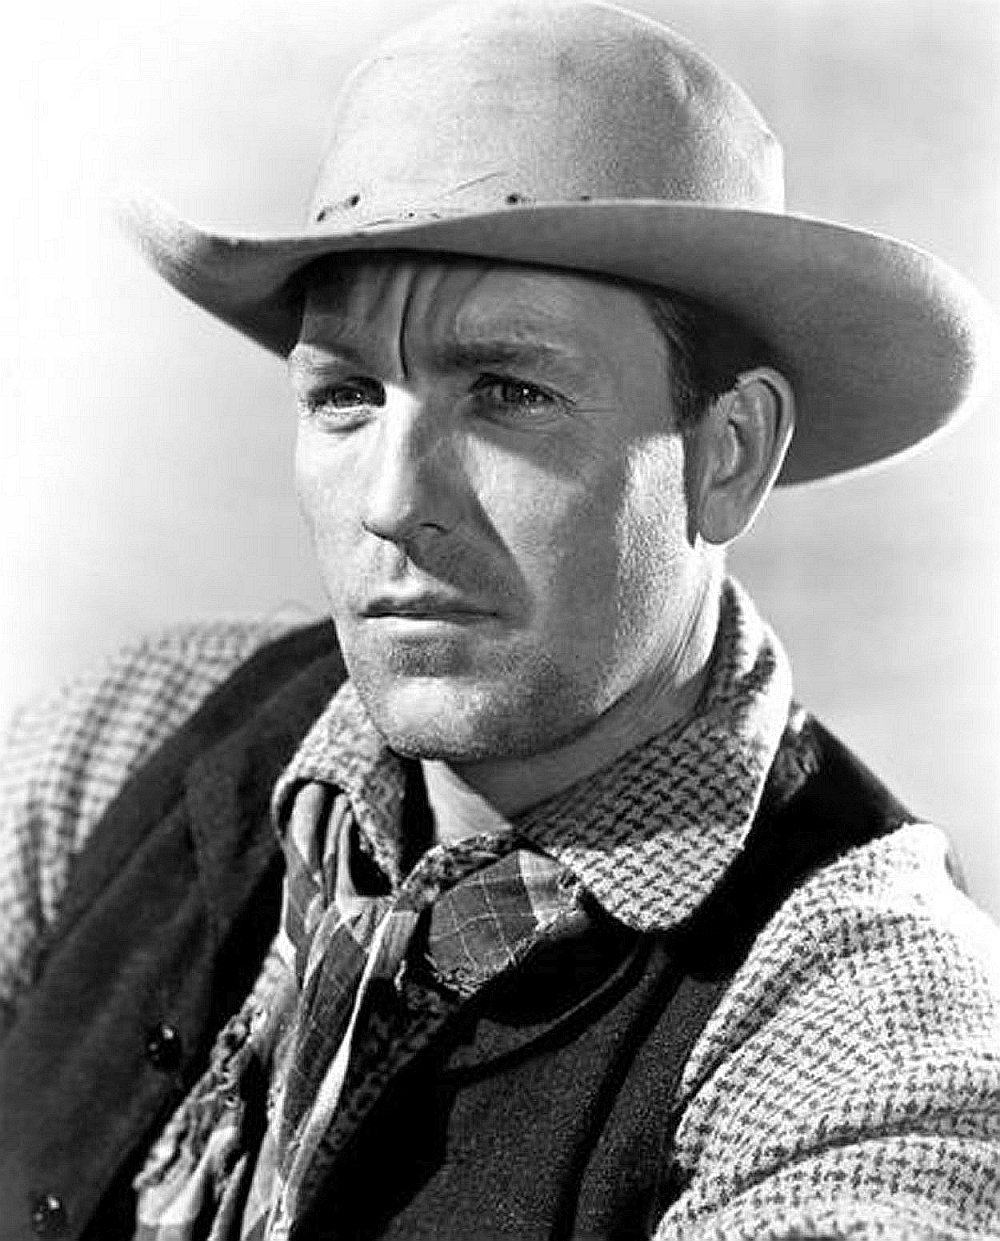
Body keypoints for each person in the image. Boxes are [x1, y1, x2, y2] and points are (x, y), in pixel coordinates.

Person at [1, 2, 998, 1239]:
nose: (391, 501)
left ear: (728, 452)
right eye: (346, 393)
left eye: (509, 391)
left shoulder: (867, 1033)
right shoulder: (132, 737)